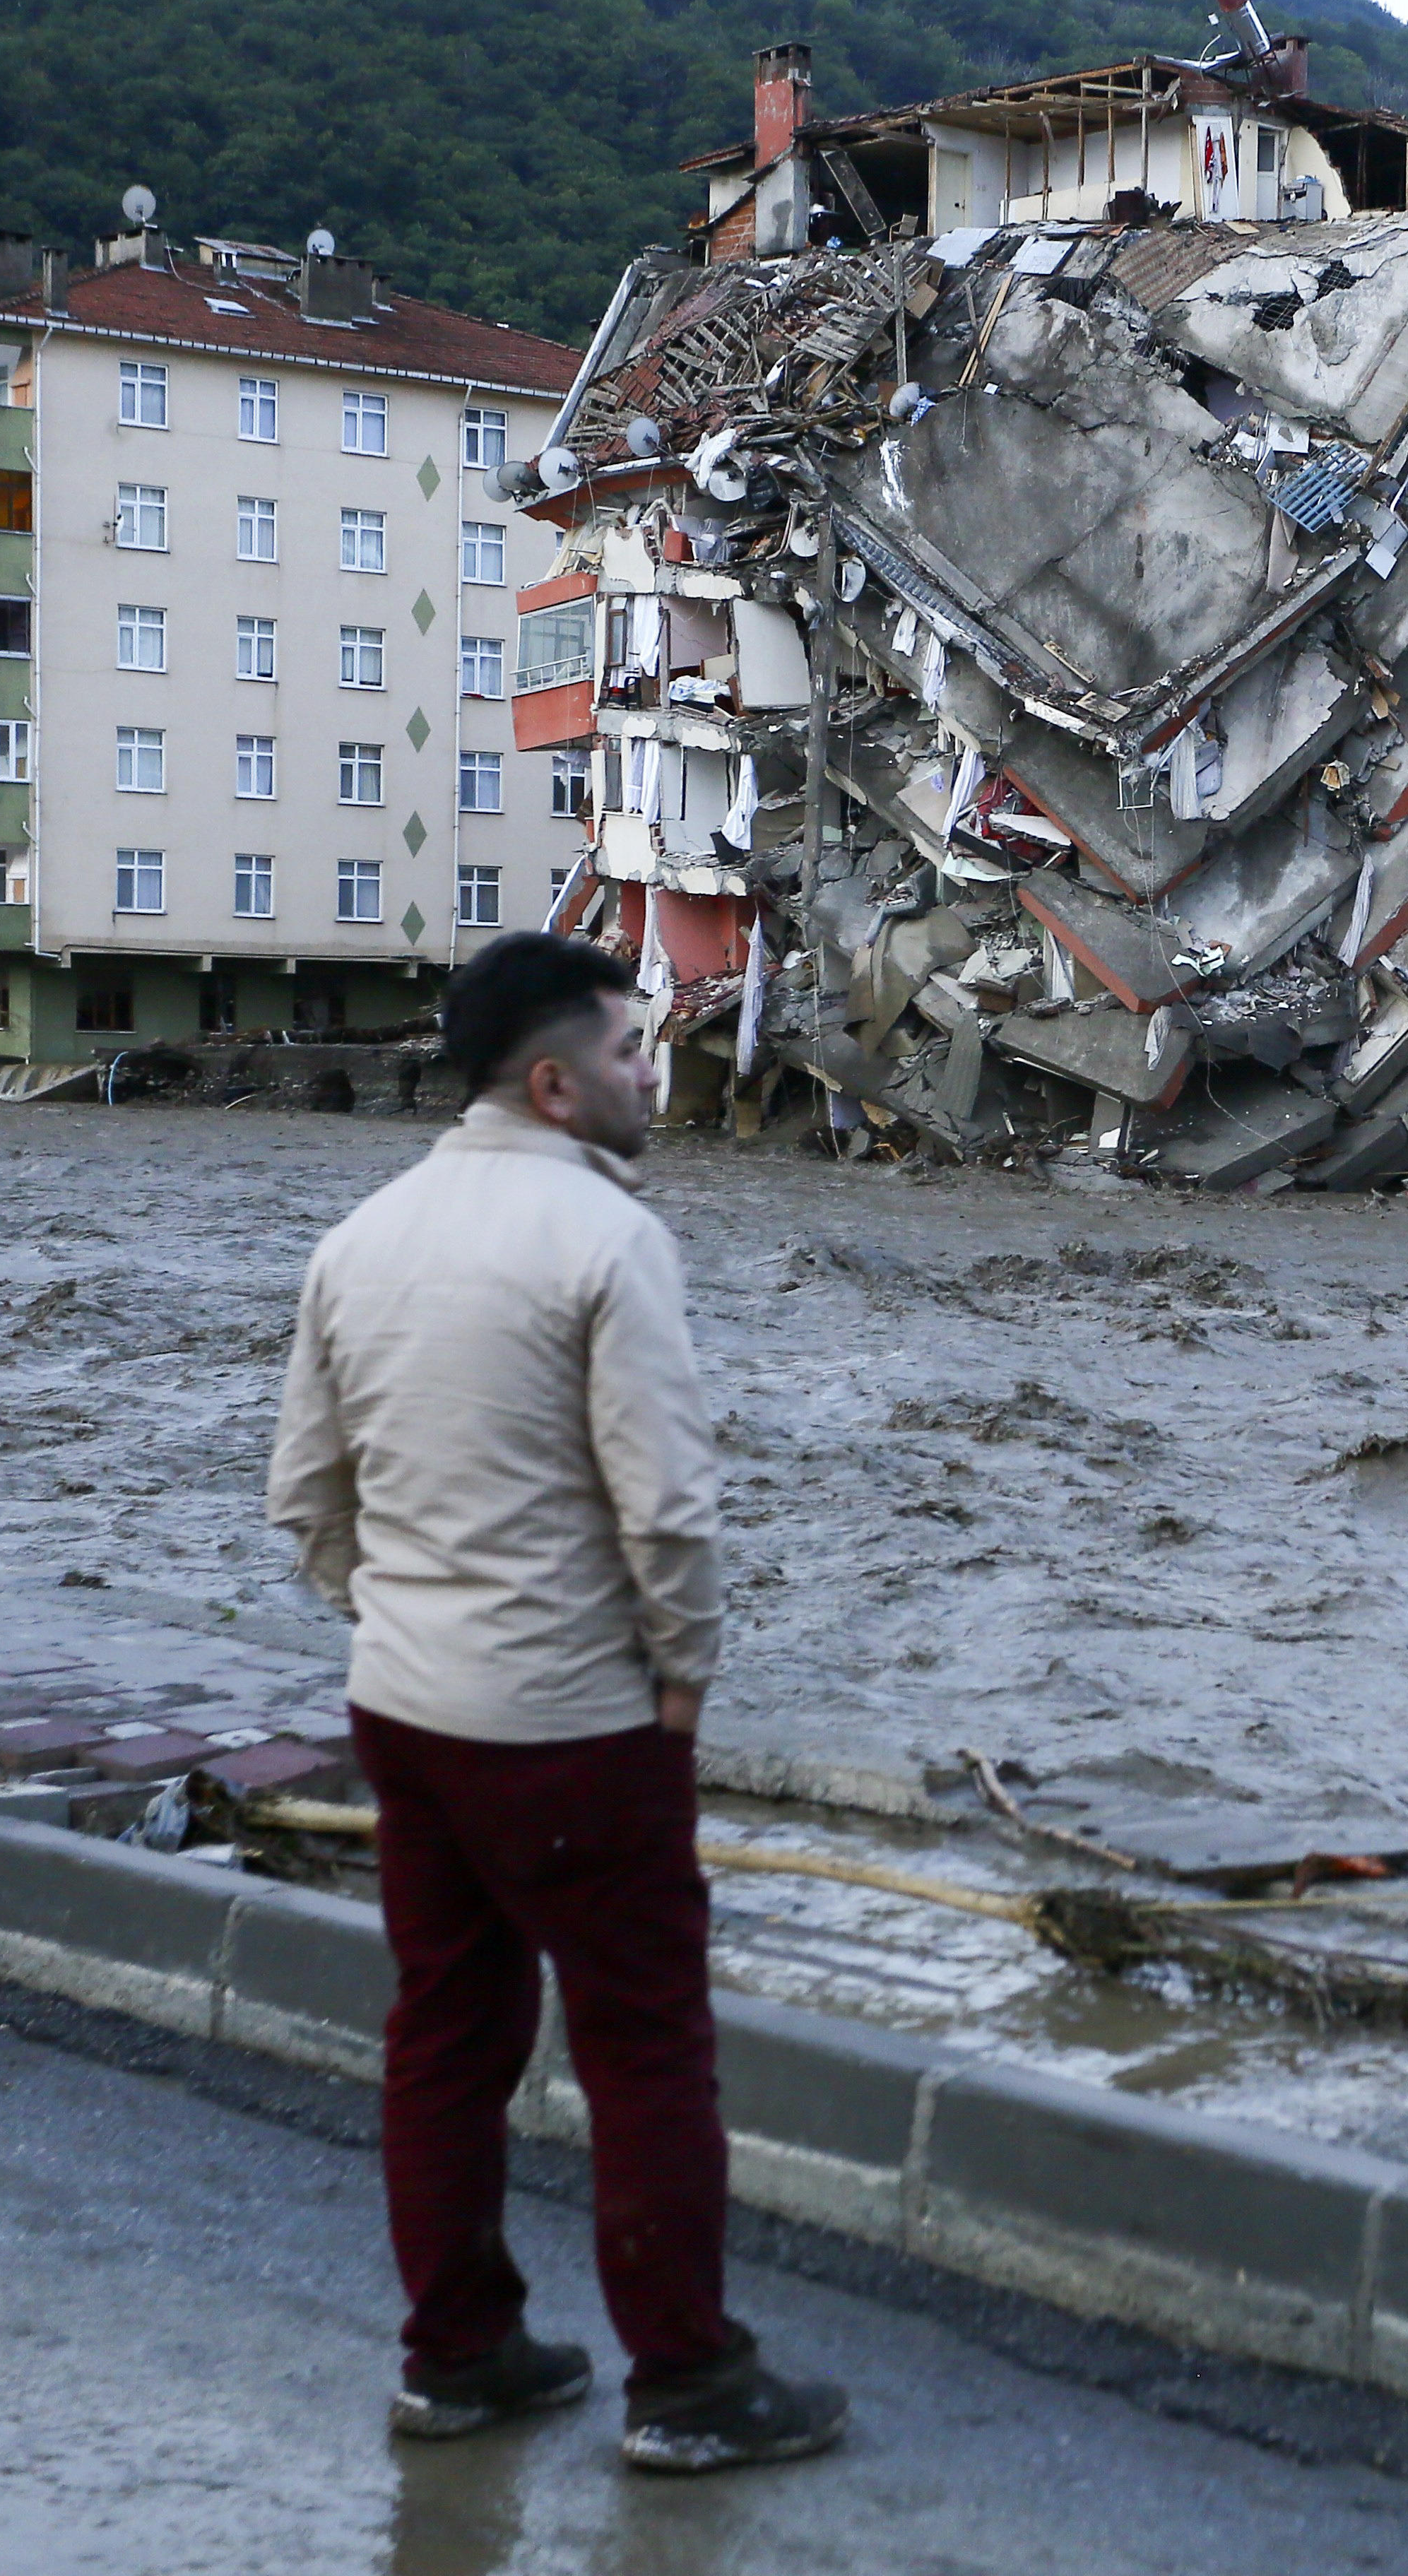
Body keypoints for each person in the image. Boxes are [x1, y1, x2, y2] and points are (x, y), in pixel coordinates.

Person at [267, 930, 844, 2473]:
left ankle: (458, 2359)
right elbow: (668, 1510)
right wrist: (681, 1674)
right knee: (644, 2043)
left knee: (446, 2033)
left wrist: (401, 1619)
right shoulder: (607, 1243)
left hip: (405, 1703)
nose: (651, 1070)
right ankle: (689, 2382)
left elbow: (306, 1501)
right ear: (554, 1081)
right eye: (628, 1050)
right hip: (574, 1722)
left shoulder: (360, 1239)